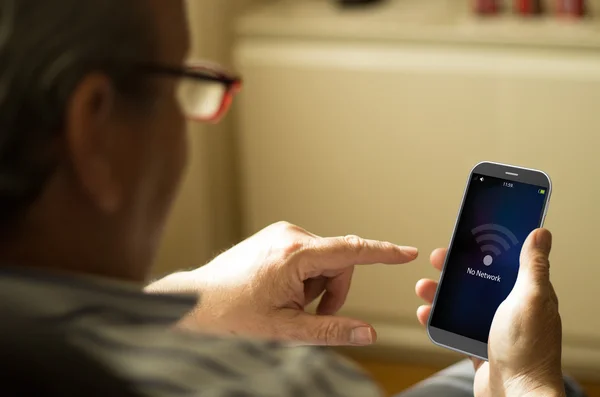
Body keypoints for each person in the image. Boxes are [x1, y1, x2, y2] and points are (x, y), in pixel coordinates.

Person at [0, 0, 583, 396]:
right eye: (180, 83)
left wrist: (189, 304)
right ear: (95, 131)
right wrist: (533, 382)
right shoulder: (277, 382)